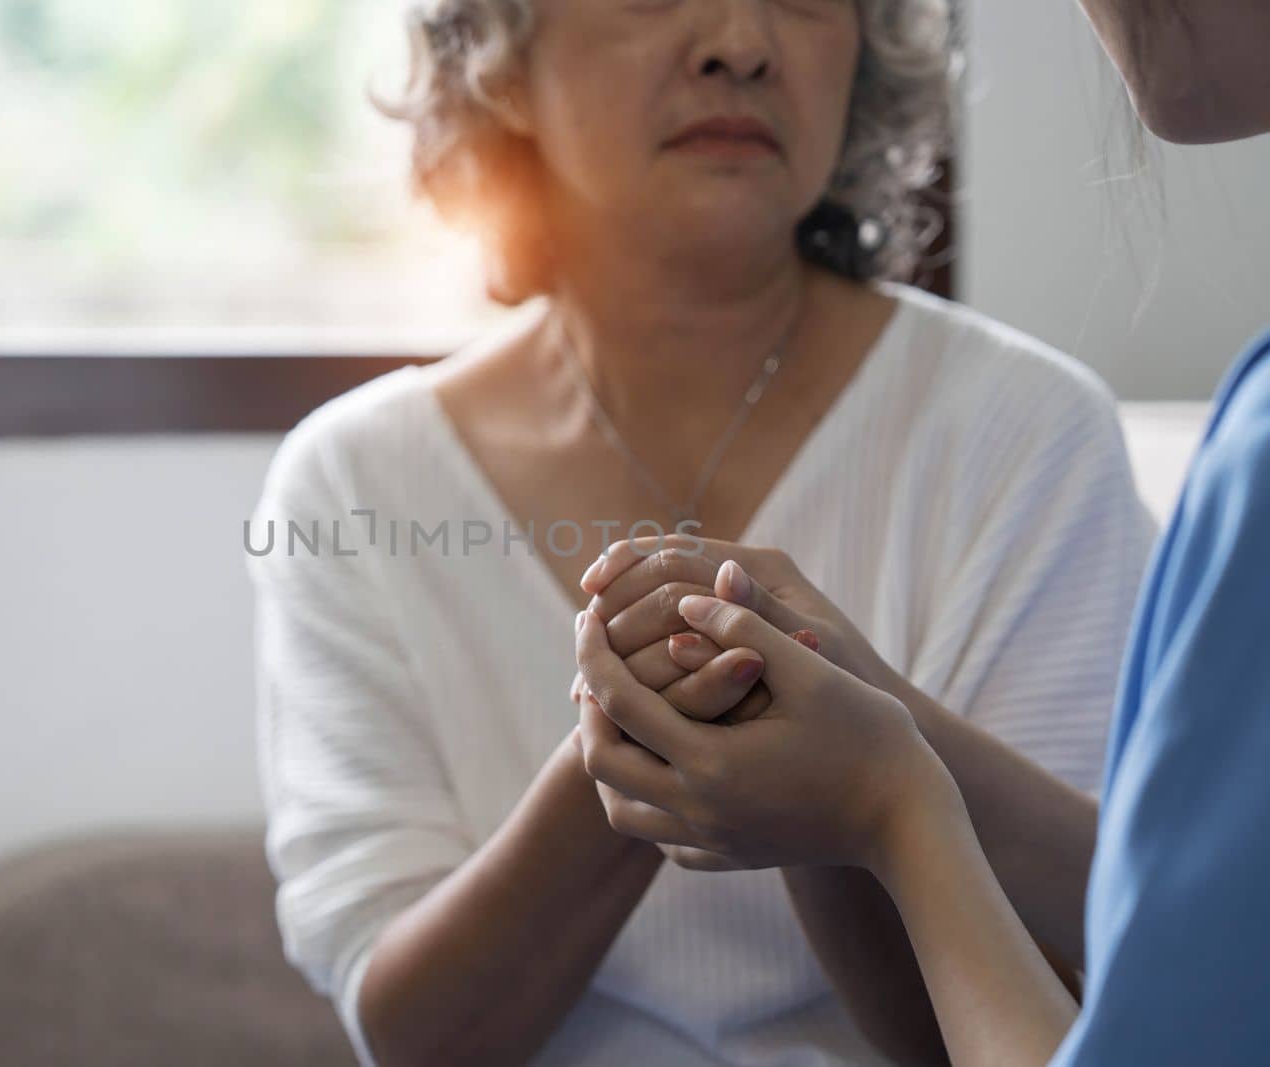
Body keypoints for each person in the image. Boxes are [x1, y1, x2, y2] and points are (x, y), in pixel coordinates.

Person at [245, 0, 1156, 1064]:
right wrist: (659, 730)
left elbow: (1085, 1003)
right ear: (499, 53)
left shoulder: (1026, 434)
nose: (740, 40)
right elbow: (413, 1035)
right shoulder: (354, 484)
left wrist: (852, 751)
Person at [571, 1, 1270, 1064]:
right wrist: (872, 741)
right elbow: (1208, 928)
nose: (735, 42)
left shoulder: (1106, 435)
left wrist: (887, 802)